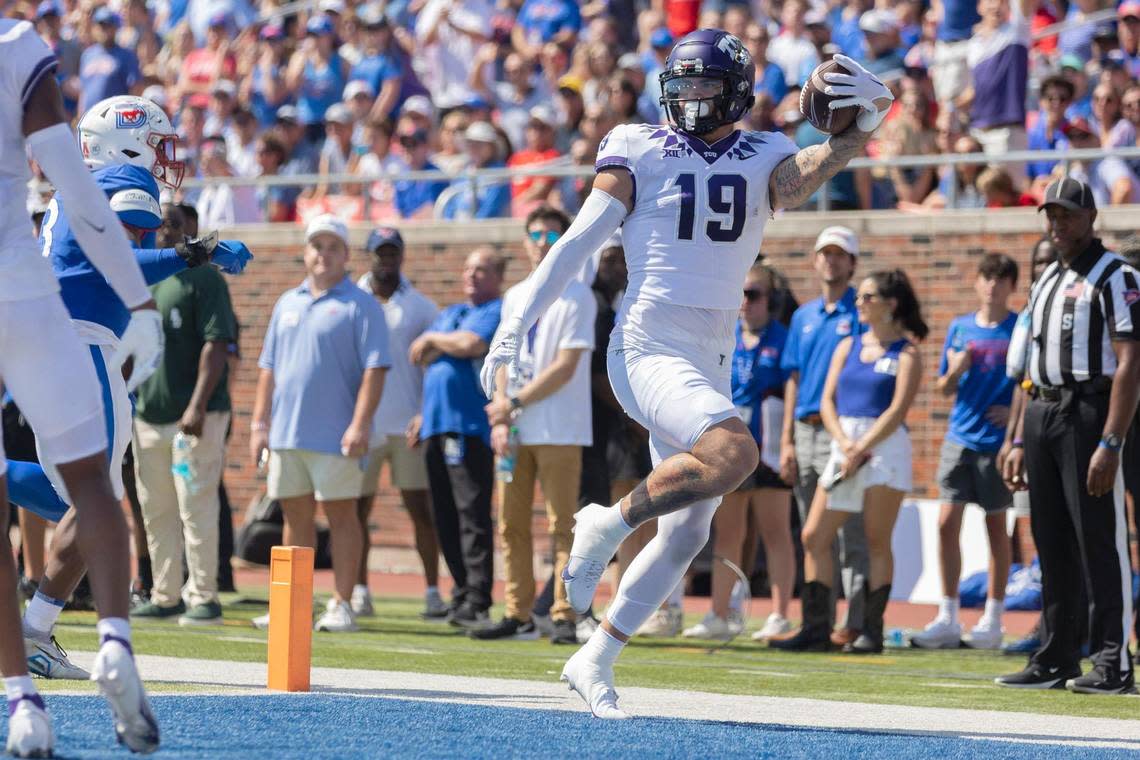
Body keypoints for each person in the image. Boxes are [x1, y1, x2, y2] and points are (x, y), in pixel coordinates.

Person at [480, 30, 893, 718]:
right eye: (683, 88)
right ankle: (605, 526)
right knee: (735, 453)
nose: (692, 100)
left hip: (711, 354)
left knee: (687, 533)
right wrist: (514, 324)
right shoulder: (636, 144)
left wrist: (860, 130)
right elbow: (580, 239)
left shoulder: (767, 150)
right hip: (646, 343)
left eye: (705, 88)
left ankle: (595, 658)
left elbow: (806, 173)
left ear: (735, 92)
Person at [0, 23, 167, 755]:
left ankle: (23, 693)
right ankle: (114, 643)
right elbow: (101, 213)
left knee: (89, 495)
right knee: (98, 493)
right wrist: (150, 297)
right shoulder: (17, 46)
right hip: (52, 320)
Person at [999, 178, 1140, 694]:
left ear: (1091, 216)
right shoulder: (1046, 279)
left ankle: (1112, 661)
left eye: (1068, 215)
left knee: (1099, 539)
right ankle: (1058, 653)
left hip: (1089, 410)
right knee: (1050, 540)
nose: (1058, 225)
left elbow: (1131, 364)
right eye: (1051, 216)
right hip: (1042, 410)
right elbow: (1030, 366)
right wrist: (1015, 438)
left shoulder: (1117, 275)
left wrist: (1112, 440)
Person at [249, 214, 390, 634]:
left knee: (343, 516)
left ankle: (343, 603)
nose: (323, 254)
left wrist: (360, 424)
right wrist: (260, 424)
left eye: (332, 247)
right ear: (305, 252)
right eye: (317, 246)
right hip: (287, 435)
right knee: (294, 517)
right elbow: (268, 369)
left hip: (337, 436)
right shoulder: (286, 302)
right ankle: (292, 604)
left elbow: (375, 369)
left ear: (346, 255)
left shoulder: (361, 304)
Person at [473, 207, 596, 645]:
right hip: (517, 428)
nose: (542, 240)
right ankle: (517, 611)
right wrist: (503, 408)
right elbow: (504, 355)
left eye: (551, 233)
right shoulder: (516, 296)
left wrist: (514, 403)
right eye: (535, 233)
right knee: (510, 522)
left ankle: (564, 613)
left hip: (560, 428)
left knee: (562, 523)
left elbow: (566, 366)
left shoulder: (579, 295)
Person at [787, 270, 926, 654]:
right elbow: (827, 399)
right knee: (814, 535)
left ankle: (871, 631)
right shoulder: (846, 346)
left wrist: (862, 447)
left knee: (876, 541)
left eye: (867, 297)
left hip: (884, 450)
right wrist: (846, 445)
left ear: (890, 304)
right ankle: (817, 628)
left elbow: (898, 410)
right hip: (843, 445)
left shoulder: (908, 353)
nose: (860, 304)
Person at [129, 220, 240, 627]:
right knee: (155, 510)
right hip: (148, 414)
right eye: (162, 223)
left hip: (194, 417)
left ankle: (204, 595)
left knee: (196, 506)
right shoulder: (146, 280)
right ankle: (166, 593)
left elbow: (216, 344)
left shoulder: (204, 279)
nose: (166, 230)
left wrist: (197, 404)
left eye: (176, 223)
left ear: (194, 231)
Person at [682, 263, 794, 642]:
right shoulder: (724, 335)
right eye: (741, 293)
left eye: (755, 294)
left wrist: (789, 442)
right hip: (733, 446)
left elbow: (791, 390)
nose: (746, 302)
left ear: (771, 299)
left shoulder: (782, 338)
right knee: (728, 532)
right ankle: (719, 613)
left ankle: (779, 614)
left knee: (775, 531)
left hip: (771, 447)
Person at [912, 254, 1018, 650]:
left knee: (996, 528)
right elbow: (943, 388)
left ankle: (993, 617)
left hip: (997, 443)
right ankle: (948, 614)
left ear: (1011, 286)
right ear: (977, 283)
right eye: (987, 278)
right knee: (945, 523)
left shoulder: (1017, 326)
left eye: (1001, 279)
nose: (993, 285)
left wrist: (1013, 414)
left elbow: (1027, 383)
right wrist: (956, 369)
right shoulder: (960, 328)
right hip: (960, 437)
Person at [773, 227, 869, 650]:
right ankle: (818, 624)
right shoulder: (803, 316)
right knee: (811, 533)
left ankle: (858, 623)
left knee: (849, 530)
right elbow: (793, 377)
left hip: (843, 430)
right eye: (824, 253)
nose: (831, 260)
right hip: (805, 428)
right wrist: (786, 439)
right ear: (815, 261)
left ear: (852, 263)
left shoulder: (862, 311)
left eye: (839, 254)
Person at [354, 227, 445, 621]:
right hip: (363, 425)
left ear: (402, 256)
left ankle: (431, 591)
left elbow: (437, 367)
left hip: (407, 425)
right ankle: (358, 590)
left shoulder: (423, 307)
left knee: (421, 511)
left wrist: (426, 412)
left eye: (392, 253)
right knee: (355, 512)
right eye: (380, 253)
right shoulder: (350, 300)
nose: (386, 260)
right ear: (369, 255)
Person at [412, 247, 504, 628]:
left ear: (497, 275)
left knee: (472, 515)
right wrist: (438, 340)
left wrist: (438, 340)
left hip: (469, 429)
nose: (472, 276)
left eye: (481, 270)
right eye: (468, 269)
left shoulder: (496, 311)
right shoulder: (450, 314)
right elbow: (417, 353)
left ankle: (478, 596)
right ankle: (461, 591)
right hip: (435, 426)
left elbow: (472, 345)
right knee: (443, 516)